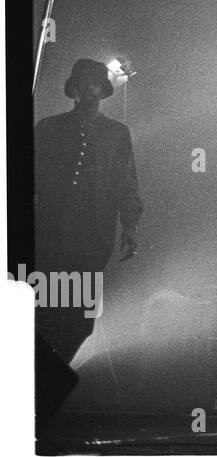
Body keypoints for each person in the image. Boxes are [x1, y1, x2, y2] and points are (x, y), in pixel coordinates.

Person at [33, 58, 144, 364]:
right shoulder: (49, 128)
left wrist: (130, 226)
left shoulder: (116, 133)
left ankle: (50, 372)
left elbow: (126, 180)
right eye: (83, 83)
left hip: (92, 236)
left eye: (95, 83)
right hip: (49, 234)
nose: (89, 89)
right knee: (47, 311)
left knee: (80, 322)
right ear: (74, 90)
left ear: (102, 90)